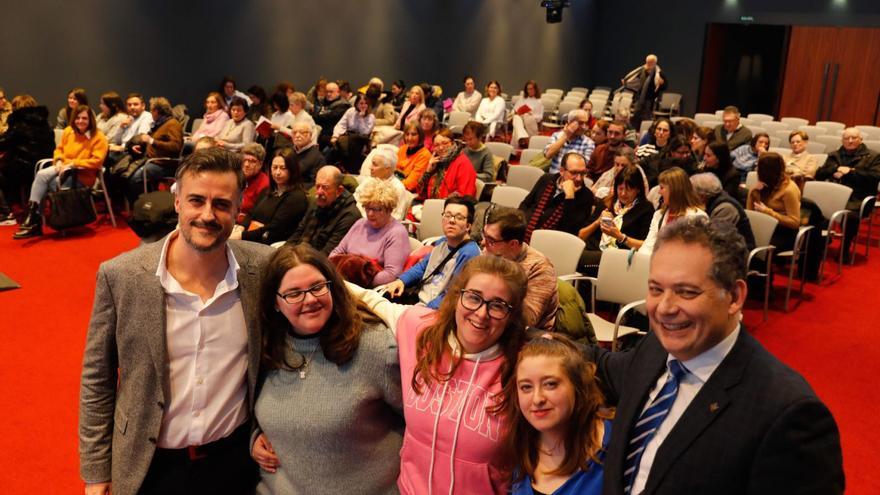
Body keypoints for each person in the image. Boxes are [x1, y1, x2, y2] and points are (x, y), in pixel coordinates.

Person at [586, 216, 844, 494]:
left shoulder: (789, 414)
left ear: (734, 297)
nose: (664, 308)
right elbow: (605, 367)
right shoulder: (657, 347)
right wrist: (537, 339)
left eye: (686, 292)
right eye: (655, 289)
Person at [79, 148, 274, 495]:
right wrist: (96, 471)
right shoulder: (121, 275)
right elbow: (98, 378)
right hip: (150, 465)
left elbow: (328, 289)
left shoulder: (263, 269)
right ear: (177, 201)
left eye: (222, 204)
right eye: (196, 200)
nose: (207, 215)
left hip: (233, 463)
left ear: (239, 208)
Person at [249, 243, 403, 494]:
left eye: (317, 287)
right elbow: (258, 409)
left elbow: (421, 428)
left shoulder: (375, 346)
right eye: (294, 293)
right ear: (275, 303)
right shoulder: (268, 345)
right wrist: (257, 436)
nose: (309, 300)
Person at [395, 255, 528, 494]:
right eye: (474, 298)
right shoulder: (418, 329)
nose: (481, 313)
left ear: (512, 316)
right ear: (457, 297)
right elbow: (366, 300)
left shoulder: (524, 367)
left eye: (498, 305)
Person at [502, 334, 613, 495]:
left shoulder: (615, 448)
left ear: (578, 385)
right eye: (526, 387)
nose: (537, 398)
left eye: (550, 384)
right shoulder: (521, 442)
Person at [13, 105, 108, 239]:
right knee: (41, 175)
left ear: (91, 120)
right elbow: (59, 150)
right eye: (78, 118)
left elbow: (97, 162)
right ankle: (33, 216)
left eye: (84, 118)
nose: (80, 121)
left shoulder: (98, 137)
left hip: (82, 175)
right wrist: (57, 160)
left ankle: (35, 223)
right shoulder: (69, 131)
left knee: (47, 184)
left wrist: (73, 163)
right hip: (63, 167)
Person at [380, 195, 480, 309]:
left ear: (468, 225)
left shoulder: (470, 253)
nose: (451, 221)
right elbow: (423, 267)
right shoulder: (441, 242)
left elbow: (454, 293)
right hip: (420, 299)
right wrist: (401, 281)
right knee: (382, 297)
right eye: (447, 215)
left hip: (434, 310)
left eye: (459, 217)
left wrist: (424, 310)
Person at [481, 205, 558, 330]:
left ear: (513, 244)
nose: (483, 243)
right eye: (484, 235)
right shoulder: (489, 253)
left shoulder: (540, 268)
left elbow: (527, 319)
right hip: (488, 322)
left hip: (525, 338)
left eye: (491, 240)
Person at [330, 180, 410, 288]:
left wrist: (359, 282)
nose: (370, 214)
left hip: (367, 288)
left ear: (389, 209)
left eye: (377, 209)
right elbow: (337, 252)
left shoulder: (396, 232)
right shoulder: (360, 223)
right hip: (343, 281)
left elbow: (392, 274)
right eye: (367, 208)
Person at [579, 162, 654, 268]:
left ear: (638, 190)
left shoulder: (645, 209)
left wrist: (619, 236)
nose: (623, 193)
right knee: (573, 252)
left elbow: (645, 246)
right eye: (620, 189)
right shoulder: (607, 203)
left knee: (577, 258)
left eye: (628, 190)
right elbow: (581, 235)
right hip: (593, 250)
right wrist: (597, 222)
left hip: (619, 257)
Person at [234, 147, 308, 245]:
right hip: (252, 236)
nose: (277, 172)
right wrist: (241, 227)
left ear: (292, 170)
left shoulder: (296, 197)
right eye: (274, 167)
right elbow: (252, 213)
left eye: (283, 168)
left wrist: (242, 235)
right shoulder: (268, 190)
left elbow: (274, 228)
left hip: (269, 244)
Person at [521, 152, 595, 243]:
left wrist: (569, 198)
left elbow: (570, 231)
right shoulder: (546, 179)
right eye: (574, 173)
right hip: (524, 231)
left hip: (551, 241)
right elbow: (525, 204)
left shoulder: (586, 196)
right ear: (562, 171)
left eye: (583, 173)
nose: (579, 178)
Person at [0, 94, 54, 219]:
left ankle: (14, 207)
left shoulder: (19, 124)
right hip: (44, 164)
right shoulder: (45, 122)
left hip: (25, 166)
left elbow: (5, 142)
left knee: (4, 173)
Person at [286, 165, 361, 254]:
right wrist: (284, 253)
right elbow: (299, 232)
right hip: (301, 252)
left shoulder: (350, 215)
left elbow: (328, 253)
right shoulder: (317, 201)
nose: (319, 192)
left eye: (325, 187)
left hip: (319, 262)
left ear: (339, 191)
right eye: (317, 186)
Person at [122, 97, 184, 205]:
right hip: (151, 160)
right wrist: (139, 147)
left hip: (165, 164)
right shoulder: (159, 124)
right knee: (124, 173)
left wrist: (152, 141)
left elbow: (176, 146)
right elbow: (151, 142)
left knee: (134, 179)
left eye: (151, 110)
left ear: (156, 111)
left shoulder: (172, 124)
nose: (151, 113)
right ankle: (139, 206)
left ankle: (144, 205)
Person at [639, 167, 706, 255]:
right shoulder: (658, 215)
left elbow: (698, 252)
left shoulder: (697, 217)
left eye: (662, 188)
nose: (659, 192)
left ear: (675, 190)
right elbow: (648, 246)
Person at [747, 152, 801, 251]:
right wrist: (753, 192)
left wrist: (767, 212)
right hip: (764, 226)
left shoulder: (789, 189)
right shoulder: (763, 184)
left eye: (759, 168)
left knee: (753, 244)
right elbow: (749, 213)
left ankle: (760, 265)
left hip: (783, 232)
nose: (756, 171)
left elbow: (795, 222)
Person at [690, 172, 755, 251]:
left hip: (737, 252)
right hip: (724, 247)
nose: (690, 196)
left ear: (702, 196)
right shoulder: (711, 201)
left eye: (691, 193)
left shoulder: (726, 208)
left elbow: (714, 238)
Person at [415, 128, 477, 201]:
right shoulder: (436, 162)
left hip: (452, 208)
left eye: (445, 143)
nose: (441, 148)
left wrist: (439, 204)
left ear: (453, 143)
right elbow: (421, 193)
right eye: (437, 145)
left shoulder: (463, 163)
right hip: (431, 204)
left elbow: (464, 195)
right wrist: (428, 172)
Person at [355, 147, 409, 220]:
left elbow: (396, 218)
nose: (370, 167)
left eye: (375, 165)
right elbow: (354, 200)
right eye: (372, 163)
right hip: (358, 220)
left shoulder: (398, 188)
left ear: (387, 169)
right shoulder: (369, 180)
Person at [329, 93, 375, 172]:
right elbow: (341, 124)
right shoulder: (350, 111)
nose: (363, 105)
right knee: (331, 146)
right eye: (361, 103)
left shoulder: (371, 117)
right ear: (356, 103)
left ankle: (350, 169)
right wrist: (335, 135)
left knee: (354, 140)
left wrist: (361, 118)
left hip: (362, 139)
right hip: (349, 136)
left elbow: (365, 132)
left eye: (366, 103)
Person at [621, 54, 667, 128]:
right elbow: (633, 80)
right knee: (636, 116)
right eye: (647, 62)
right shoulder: (641, 70)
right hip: (639, 98)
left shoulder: (659, 73)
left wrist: (662, 84)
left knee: (646, 118)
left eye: (650, 62)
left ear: (655, 63)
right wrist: (626, 82)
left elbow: (664, 87)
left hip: (650, 100)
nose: (648, 64)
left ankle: (644, 131)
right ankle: (634, 131)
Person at [543, 109, 596, 174]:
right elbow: (548, 155)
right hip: (553, 176)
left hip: (573, 178)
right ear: (570, 122)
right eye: (581, 123)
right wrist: (566, 136)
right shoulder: (557, 136)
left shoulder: (588, 143)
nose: (584, 127)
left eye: (586, 123)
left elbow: (583, 167)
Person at [587, 120, 631, 185]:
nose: (612, 136)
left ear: (624, 135)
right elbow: (589, 171)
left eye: (617, 133)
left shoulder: (628, 154)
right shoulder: (599, 149)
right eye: (610, 132)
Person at [396, 122, 432, 192]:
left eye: (414, 134)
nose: (409, 138)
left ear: (420, 136)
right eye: (407, 134)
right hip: (396, 185)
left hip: (409, 192)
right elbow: (393, 170)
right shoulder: (403, 148)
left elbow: (411, 184)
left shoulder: (425, 155)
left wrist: (391, 185)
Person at [238, 143, 269, 217]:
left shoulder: (265, 184)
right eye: (244, 160)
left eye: (252, 161)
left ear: (260, 164)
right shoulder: (236, 175)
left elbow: (258, 215)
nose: (246, 165)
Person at [510, 80, 544, 148]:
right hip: (520, 120)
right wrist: (515, 112)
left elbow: (540, 117)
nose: (530, 91)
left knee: (525, 117)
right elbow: (514, 110)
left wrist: (531, 114)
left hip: (531, 121)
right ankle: (522, 135)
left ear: (535, 89)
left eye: (531, 89)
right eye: (528, 89)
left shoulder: (539, 101)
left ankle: (513, 150)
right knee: (516, 117)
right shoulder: (522, 99)